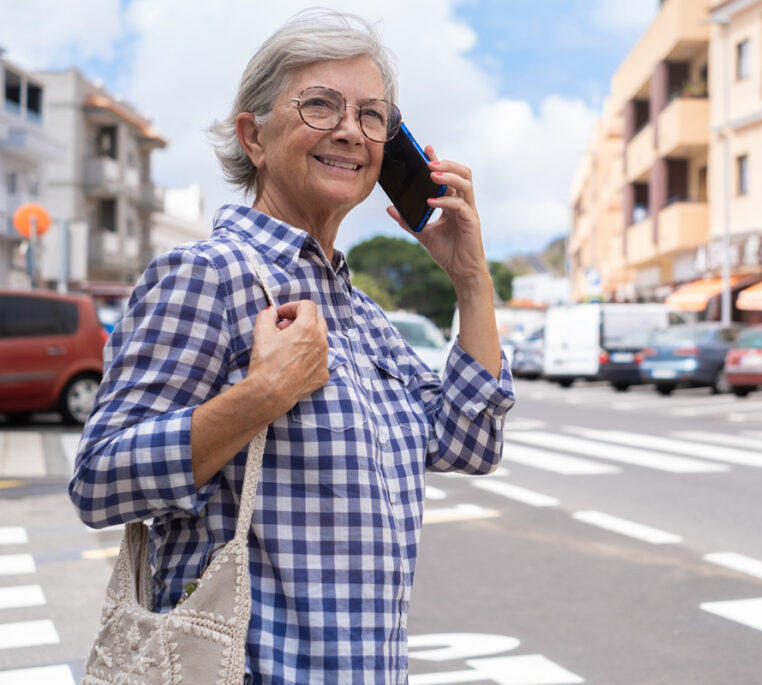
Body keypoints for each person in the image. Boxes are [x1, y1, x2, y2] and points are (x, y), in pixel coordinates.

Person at [70, 9, 515, 683]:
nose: (351, 130)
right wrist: (263, 394)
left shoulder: (361, 314)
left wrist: (471, 282)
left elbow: (467, 439)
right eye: (320, 104)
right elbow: (99, 481)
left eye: (373, 116)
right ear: (254, 136)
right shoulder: (207, 276)